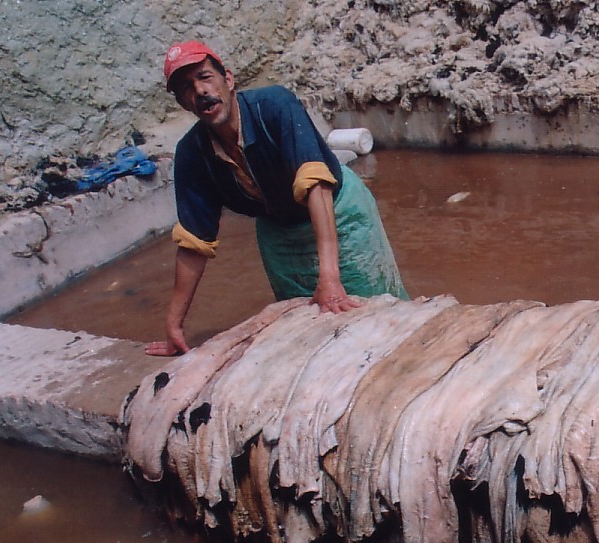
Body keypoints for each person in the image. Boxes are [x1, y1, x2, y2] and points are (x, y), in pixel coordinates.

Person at [146, 41, 408, 356]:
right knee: (307, 332)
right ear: (182, 102)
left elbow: (316, 185)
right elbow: (194, 244)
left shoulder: (274, 105)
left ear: (227, 79)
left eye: (205, 77)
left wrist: (330, 276)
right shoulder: (192, 153)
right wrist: (174, 325)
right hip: (279, 231)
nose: (200, 91)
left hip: (337, 213)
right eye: (187, 88)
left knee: (374, 316)